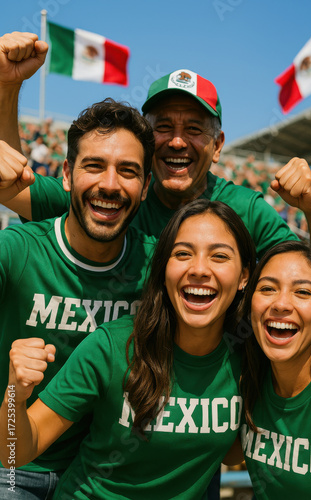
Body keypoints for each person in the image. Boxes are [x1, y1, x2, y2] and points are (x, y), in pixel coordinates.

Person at [0, 32, 311, 270]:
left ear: (217, 146)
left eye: (193, 129)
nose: (177, 141)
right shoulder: (114, 194)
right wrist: (9, 86)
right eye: (163, 127)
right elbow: (10, 183)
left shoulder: (249, 212)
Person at [0, 199, 256, 499]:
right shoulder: (112, 346)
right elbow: (14, 453)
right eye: (183, 254)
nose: (199, 269)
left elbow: (233, 453)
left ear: (244, 276)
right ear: (163, 269)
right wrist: (15, 393)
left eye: (219, 257)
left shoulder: (249, 358)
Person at [0, 98, 157, 498]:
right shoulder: (17, 251)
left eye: (128, 171)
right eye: (94, 165)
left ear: (145, 187)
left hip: (101, 475)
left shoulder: (159, 266)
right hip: (11, 469)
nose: (109, 184)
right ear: (67, 174)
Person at [225, 240, 311, 499]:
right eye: (267, 289)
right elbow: (231, 455)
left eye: (303, 292)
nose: (281, 304)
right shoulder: (248, 379)